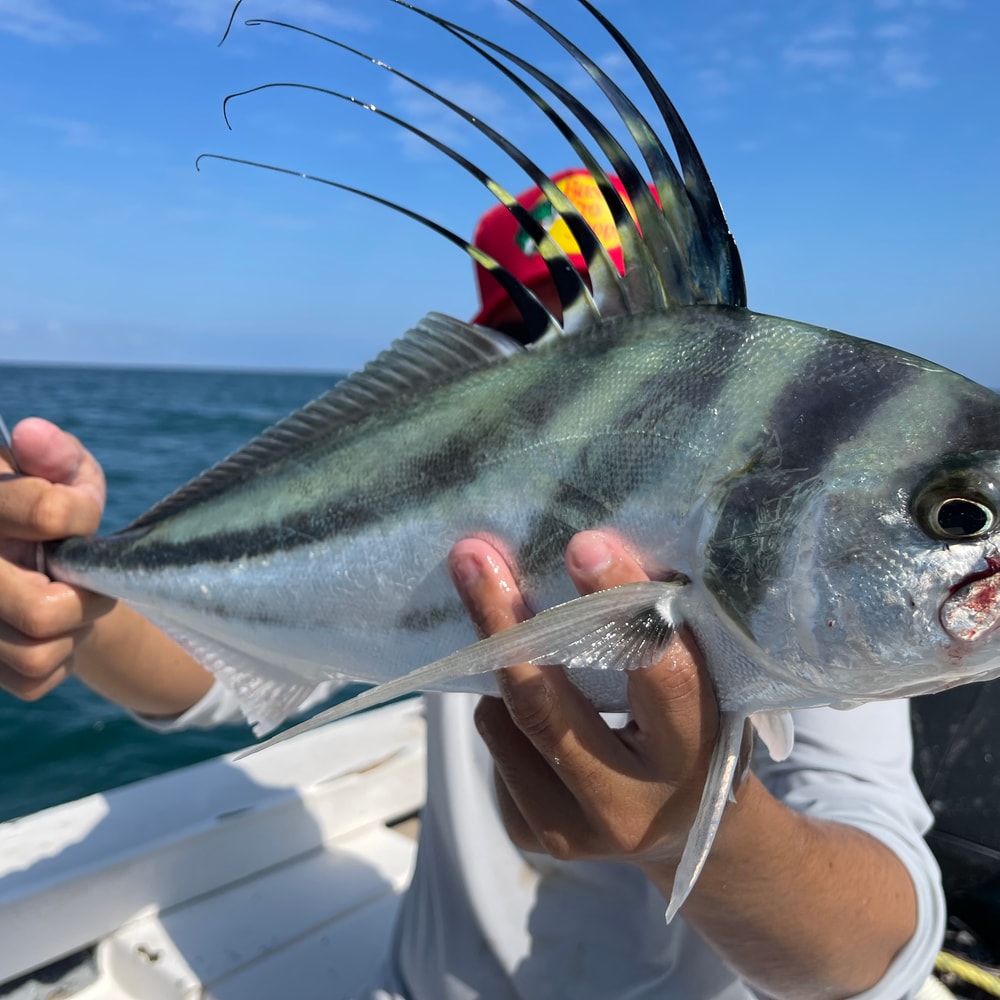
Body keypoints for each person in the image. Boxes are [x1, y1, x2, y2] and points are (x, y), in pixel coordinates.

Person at [0, 171, 944, 999]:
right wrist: (74, 604)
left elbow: (876, 950)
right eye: (518, 336)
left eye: (594, 317)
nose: (546, 369)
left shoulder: (810, 498)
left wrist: (688, 832)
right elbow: (232, 674)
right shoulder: (470, 458)